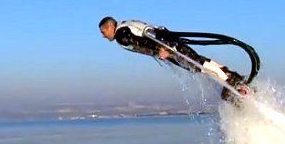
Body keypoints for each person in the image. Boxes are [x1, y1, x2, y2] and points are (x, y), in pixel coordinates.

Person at [99, 16, 250, 100]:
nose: (103, 36)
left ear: (110, 27)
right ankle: (232, 80)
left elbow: (143, 41)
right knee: (197, 62)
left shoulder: (121, 35)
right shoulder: (126, 24)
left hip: (166, 45)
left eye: (103, 32)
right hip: (167, 40)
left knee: (196, 64)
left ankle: (230, 80)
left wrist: (163, 49)